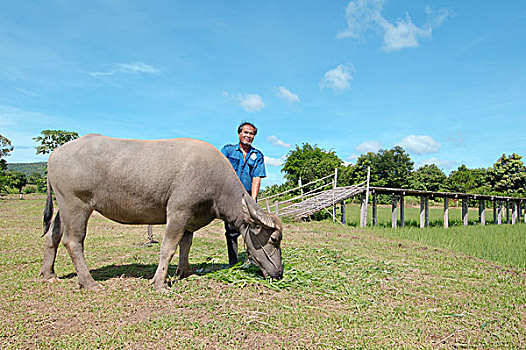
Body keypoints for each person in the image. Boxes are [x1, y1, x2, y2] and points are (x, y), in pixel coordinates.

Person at [221, 122, 266, 265]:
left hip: (247, 196)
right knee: (231, 230)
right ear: (239, 134)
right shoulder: (228, 151)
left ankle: (252, 259)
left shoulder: (257, 155)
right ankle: (233, 262)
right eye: (245, 132)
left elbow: (256, 178)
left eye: (251, 133)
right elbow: (219, 170)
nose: (248, 136)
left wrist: (252, 200)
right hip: (229, 196)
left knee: (252, 229)